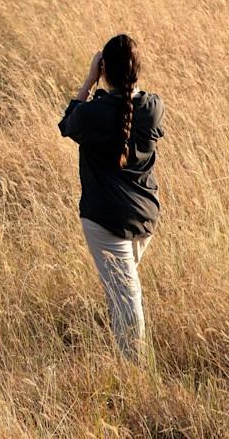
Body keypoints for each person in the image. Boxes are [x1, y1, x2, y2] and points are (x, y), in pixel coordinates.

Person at [59, 33, 163, 362]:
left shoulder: (93, 114)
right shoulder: (153, 107)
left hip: (106, 221)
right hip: (145, 217)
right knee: (121, 292)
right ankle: (118, 352)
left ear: (105, 70)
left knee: (126, 300)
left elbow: (67, 124)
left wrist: (89, 80)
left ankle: (135, 372)